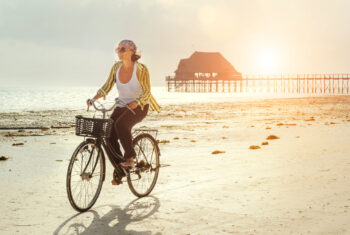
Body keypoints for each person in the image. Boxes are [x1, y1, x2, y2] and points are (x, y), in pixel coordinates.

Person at [87, 40, 161, 185]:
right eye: (118, 49)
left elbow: (147, 92)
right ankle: (121, 169)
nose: (119, 52)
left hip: (139, 106)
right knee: (108, 133)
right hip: (121, 105)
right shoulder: (116, 67)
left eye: (123, 49)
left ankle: (130, 158)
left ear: (132, 52)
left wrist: (137, 102)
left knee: (121, 125)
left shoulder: (141, 69)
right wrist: (94, 98)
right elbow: (107, 86)